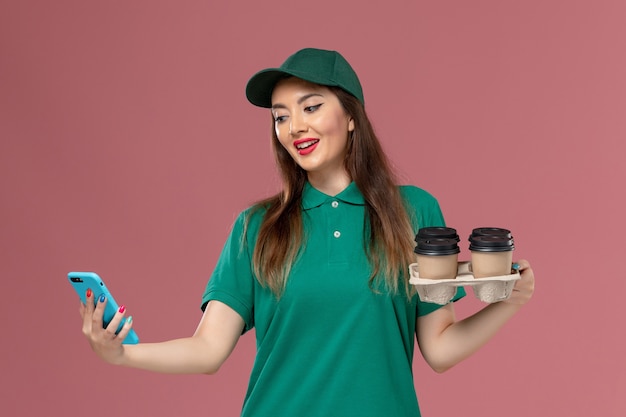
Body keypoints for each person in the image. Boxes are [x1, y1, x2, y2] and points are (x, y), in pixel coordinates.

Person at [80, 48, 535, 417]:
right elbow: (208, 349)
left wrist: (509, 302)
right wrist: (122, 354)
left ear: (351, 116)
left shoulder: (413, 211)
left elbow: (439, 348)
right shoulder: (255, 228)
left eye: (311, 107)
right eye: (280, 116)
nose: (294, 126)